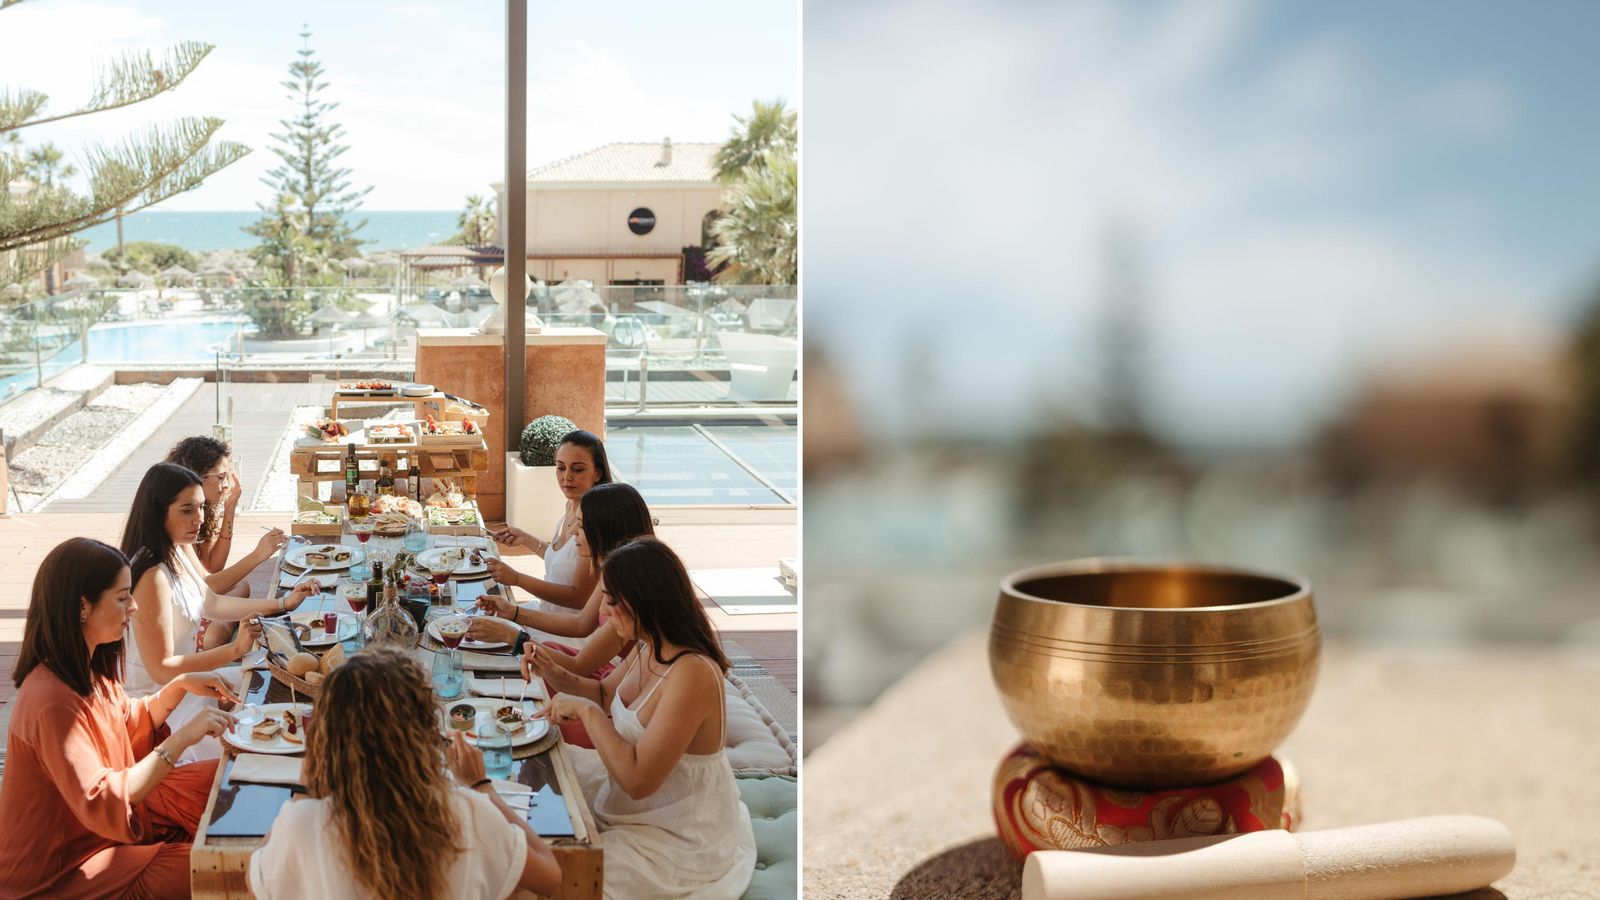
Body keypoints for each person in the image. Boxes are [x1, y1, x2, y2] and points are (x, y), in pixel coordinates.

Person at [0, 537, 239, 898]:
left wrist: (178, 687)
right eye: (124, 596)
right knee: (229, 870)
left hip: (108, 829)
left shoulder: (90, 665)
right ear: (83, 606)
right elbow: (102, 798)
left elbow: (129, 722)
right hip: (66, 868)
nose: (134, 606)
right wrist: (182, 738)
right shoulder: (50, 699)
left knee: (231, 782)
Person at [524, 537, 756, 899]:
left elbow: (638, 781)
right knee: (532, 774)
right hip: (632, 799)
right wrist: (547, 666)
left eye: (613, 602)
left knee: (561, 880)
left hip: (676, 833)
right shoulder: (650, 644)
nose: (605, 610)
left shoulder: (692, 673)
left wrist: (584, 712)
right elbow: (602, 694)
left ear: (644, 603)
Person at [248, 647, 562, 900]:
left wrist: (306, 787)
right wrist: (483, 787)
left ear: (326, 740)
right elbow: (550, 875)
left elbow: (256, 882)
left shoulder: (303, 824)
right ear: (425, 732)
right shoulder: (470, 812)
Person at [120, 463, 321, 747]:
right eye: (187, 510)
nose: (199, 519)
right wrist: (236, 649)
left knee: (274, 679)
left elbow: (211, 602)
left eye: (201, 507)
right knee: (263, 721)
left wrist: (283, 602)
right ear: (158, 511)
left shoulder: (177, 548)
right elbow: (162, 670)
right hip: (159, 705)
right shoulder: (151, 575)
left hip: (188, 684)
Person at [470, 483, 654, 676]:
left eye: (581, 525)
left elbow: (580, 666)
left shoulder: (630, 589)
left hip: (616, 678)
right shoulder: (612, 569)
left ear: (606, 531)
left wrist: (512, 636)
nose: (573, 529)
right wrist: (513, 612)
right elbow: (581, 623)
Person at [486, 429, 612, 610]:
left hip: (568, 631)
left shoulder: (595, 521)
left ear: (597, 474)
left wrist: (517, 579)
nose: (566, 476)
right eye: (561, 467)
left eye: (577, 469)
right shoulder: (571, 506)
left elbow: (578, 597)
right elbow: (561, 561)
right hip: (549, 613)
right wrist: (525, 538)